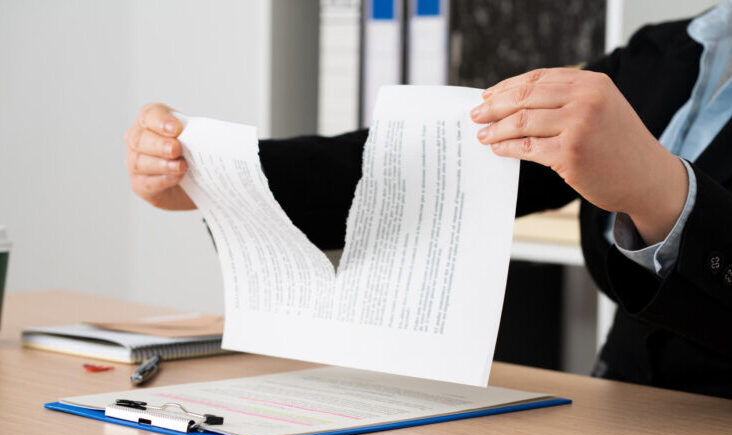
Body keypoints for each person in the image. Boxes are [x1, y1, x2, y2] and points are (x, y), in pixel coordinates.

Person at [123, 5, 732, 399]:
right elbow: (423, 169)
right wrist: (215, 173)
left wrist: (661, 192)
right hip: (616, 424)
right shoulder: (671, 52)